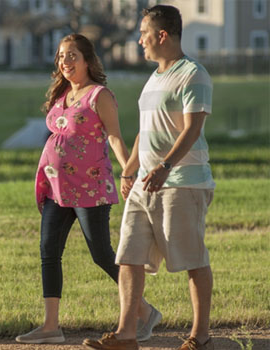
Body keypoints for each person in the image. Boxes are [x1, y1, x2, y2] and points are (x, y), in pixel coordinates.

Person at [83, 5, 215, 350]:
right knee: (128, 256)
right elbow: (147, 131)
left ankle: (200, 337)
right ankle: (127, 334)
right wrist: (130, 171)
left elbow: (192, 128)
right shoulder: (155, 76)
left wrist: (165, 167)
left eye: (143, 33)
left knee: (192, 259)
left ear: (162, 35)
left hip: (182, 182)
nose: (139, 40)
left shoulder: (193, 74)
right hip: (146, 183)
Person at [16, 33, 161, 345]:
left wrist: (128, 169)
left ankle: (144, 311)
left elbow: (114, 136)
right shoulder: (62, 96)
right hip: (57, 186)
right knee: (48, 251)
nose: (65, 62)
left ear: (87, 60)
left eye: (71, 56)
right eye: (60, 56)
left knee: (101, 253)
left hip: (90, 187)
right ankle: (51, 326)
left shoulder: (99, 96)